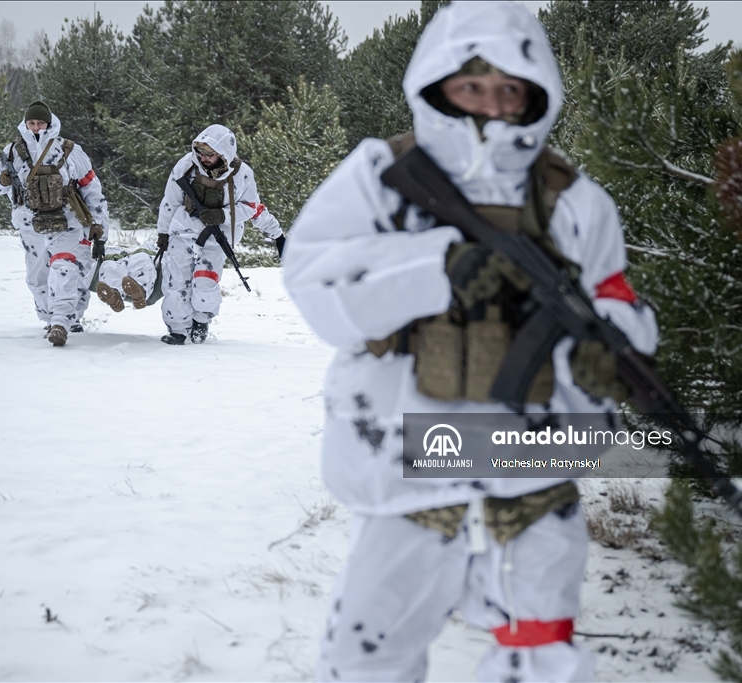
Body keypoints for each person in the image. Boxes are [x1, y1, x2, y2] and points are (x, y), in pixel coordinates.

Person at [282, 3, 659, 682]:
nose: (490, 106)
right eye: (472, 86)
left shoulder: (576, 202)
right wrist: (435, 267)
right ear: (437, 83)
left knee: (539, 654)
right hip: (408, 465)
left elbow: (615, 296)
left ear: (535, 95)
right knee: (368, 653)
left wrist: (615, 349)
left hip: (534, 464)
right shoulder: (380, 177)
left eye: (509, 90)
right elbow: (311, 275)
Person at [0, 100, 109, 347]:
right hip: (30, 224)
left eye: (41, 122)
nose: (37, 127)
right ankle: (51, 318)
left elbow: (92, 189)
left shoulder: (70, 152)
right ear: (25, 124)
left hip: (67, 223)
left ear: (50, 123)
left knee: (66, 269)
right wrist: (2, 179)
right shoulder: (12, 153)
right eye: (32, 122)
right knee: (37, 278)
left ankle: (63, 322)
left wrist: (99, 226)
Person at [155, 124, 284, 345]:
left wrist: (223, 215)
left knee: (205, 283)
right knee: (176, 283)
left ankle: (201, 322)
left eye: (209, 154)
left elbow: (252, 207)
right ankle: (177, 329)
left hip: (216, 238)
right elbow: (170, 201)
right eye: (200, 153)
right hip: (183, 231)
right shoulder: (186, 166)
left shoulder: (242, 175)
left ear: (223, 152)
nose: (203, 158)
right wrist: (163, 233)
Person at [97, 205, 284, 314]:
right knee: (114, 266)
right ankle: (117, 294)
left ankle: (140, 293)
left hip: (212, 242)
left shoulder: (238, 185)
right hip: (178, 240)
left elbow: (255, 209)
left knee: (145, 265)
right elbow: (169, 204)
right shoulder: (186, 175)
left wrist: (278, 236)